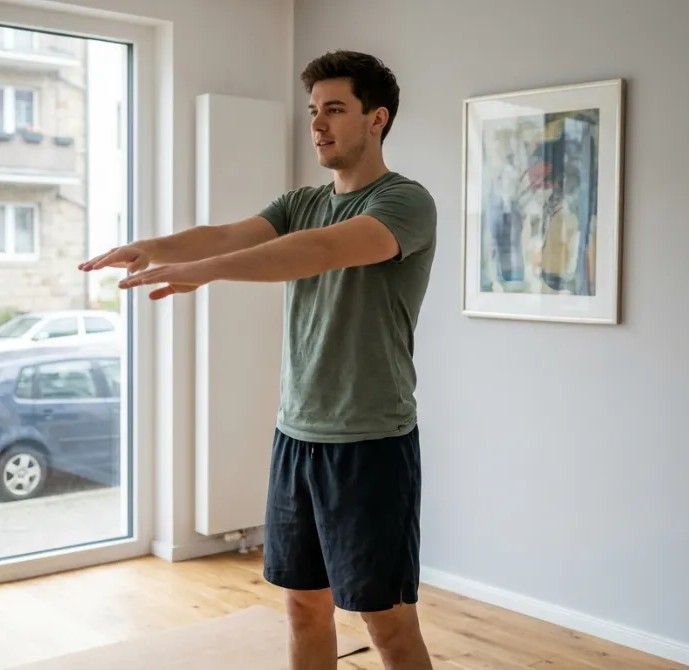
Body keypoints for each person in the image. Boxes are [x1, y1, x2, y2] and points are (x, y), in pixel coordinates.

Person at [79, 50, 436, 670]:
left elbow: (320, 251)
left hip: (371, 443)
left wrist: (203, 274)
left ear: (377, 119)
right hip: (296, 435)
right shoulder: (301, 200)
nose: (318, 124)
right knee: (302, 607)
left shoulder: (405, 203)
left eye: (334, 110)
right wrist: (147, 248)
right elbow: (224, 236)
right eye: (313, 111)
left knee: (387, 622)